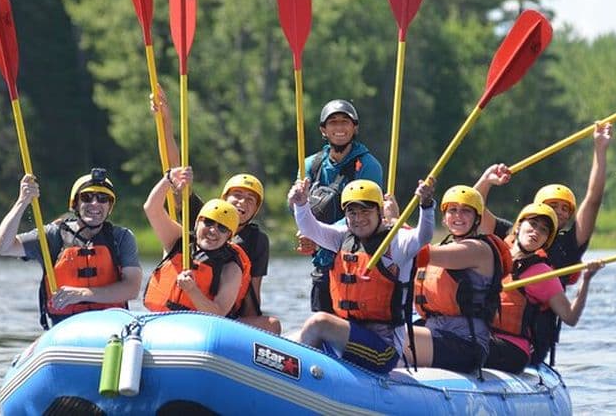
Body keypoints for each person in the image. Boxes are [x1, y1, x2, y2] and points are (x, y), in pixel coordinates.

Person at [476, 122, 612, 364]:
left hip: (530, 339)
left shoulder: (569, 244)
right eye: (552, 206)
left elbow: (593, 200)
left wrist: (599, 150)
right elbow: (472, 210)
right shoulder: (513, 232)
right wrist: (487, 181)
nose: (558, 212)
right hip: (489, 328)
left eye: (564, 209)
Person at [150, 88, 280, 333]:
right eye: (237, 196)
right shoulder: (204, 217)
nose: (242, 203)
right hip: (181, 306)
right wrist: (165, 121)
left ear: (255, 211)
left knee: (272, 325)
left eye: (250, 201)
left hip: (223, 313)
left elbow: (253, 289)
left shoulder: (256, 240)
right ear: (224, 198)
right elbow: (174, 170)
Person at [288, 177, 435, 374]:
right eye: (352, 212)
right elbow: (310, 228)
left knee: (319, 322)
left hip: (383, 350)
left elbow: (423, 236)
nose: (358, 219)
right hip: (351, 335)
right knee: (294, 337)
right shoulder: (342, 237)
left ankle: (299, 379)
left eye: (366, 211)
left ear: (380, 211)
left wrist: (426, 206)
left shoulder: (396, 243)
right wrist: (301, 203)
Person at [0, 169, 142, 329]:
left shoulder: (121, 238)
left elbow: (132, 288)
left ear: (109, 206)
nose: (95, 203)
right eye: (86, 197)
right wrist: (22, 201)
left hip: (111, 327)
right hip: (65, 328)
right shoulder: (52, 235)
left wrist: (83, 294)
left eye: (103, 199)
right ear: (75, 203)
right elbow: (3, 247)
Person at [484, 203, 603, 374]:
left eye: (544, 230)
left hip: (514, 348)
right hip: (483, 337)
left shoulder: (543, 274)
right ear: (518, 227)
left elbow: (570, 317)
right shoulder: (492, 256)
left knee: (469, 346)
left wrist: (586, 280)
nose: (536, 232)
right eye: (532, 224)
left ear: (546, 240)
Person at [406, 186, 511, 374]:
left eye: (466, 211)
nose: (458, 216)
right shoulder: (442, 247)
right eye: (452, 210)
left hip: (466, 344)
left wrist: (392, 227)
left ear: (477, 218)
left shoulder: (478, 250)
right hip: (434, 332)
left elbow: (418, 252)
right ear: (445, 218)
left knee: (396, 336)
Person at [296, 99, 384, 314]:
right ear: (323, 130)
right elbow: (297, 205)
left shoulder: (368, 165)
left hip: (357, 255)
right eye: (333, 123)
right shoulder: (310, 164)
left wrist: (317, 235)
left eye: (345, 122)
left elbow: (365, 214)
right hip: (323, 261)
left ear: (355, 128)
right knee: (321, 321)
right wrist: (305, 232)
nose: (339, 128)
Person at [143, 166, 251, 316]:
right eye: (208, 222)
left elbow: (219, 313)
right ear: (197, 223)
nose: (213, 230)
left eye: (222, 228)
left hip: (198, 327)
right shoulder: (178, 240)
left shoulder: (231, 267)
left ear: (229, 237)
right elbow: (151, 209)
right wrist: (168, 179)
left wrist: (192, 290)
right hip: (158, 318)